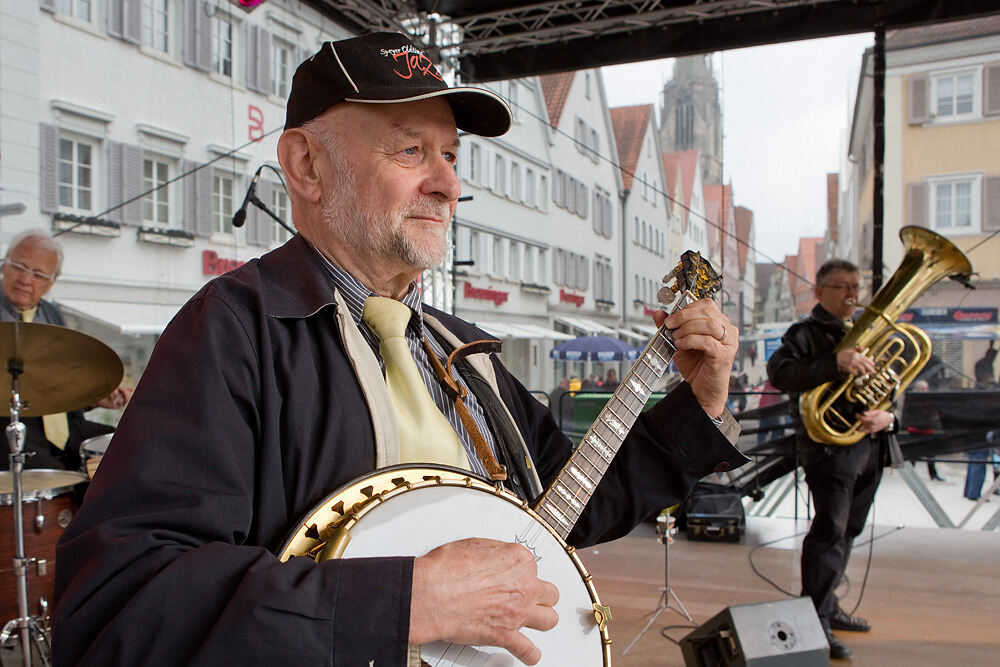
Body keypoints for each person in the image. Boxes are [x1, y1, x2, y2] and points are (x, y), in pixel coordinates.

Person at [51, 32, 747, 666]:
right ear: (305, 164)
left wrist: (700, 402)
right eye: (411, 149)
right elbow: (119, 605)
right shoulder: (230, 333)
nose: (446, 183)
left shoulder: (463, 352)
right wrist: (409, 601)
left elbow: (574, 500)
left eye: (449, 154)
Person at [767, 259, 897, 660]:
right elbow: (780, 374)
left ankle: (827, 605)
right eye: (841, 286)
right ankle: (815, 620)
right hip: (828, 450)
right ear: (819, 291)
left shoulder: (871, 334)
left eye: (856, 285)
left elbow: (895, 381)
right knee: (828, 535)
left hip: (869, 446)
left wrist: (890, 416)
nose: (852, 294)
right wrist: (833, 364)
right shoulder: (803, 334)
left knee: (849, 531)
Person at [0, 230, 132, 472]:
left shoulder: (51, 314)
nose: (26, 279)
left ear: (52, 280)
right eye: (19, 266)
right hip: (11, 426)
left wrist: (91, 400)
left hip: (64, 424)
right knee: (60, 477)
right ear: (4, 264)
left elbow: (52, 385)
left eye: (38, 274)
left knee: (131, 444)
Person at [964, 345, 998, 499]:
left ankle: (970, 492)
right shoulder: (982, 399)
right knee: (978, 462)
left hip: (976, 434)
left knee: (975, 461)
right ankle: (973, 493)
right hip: (979, 435)